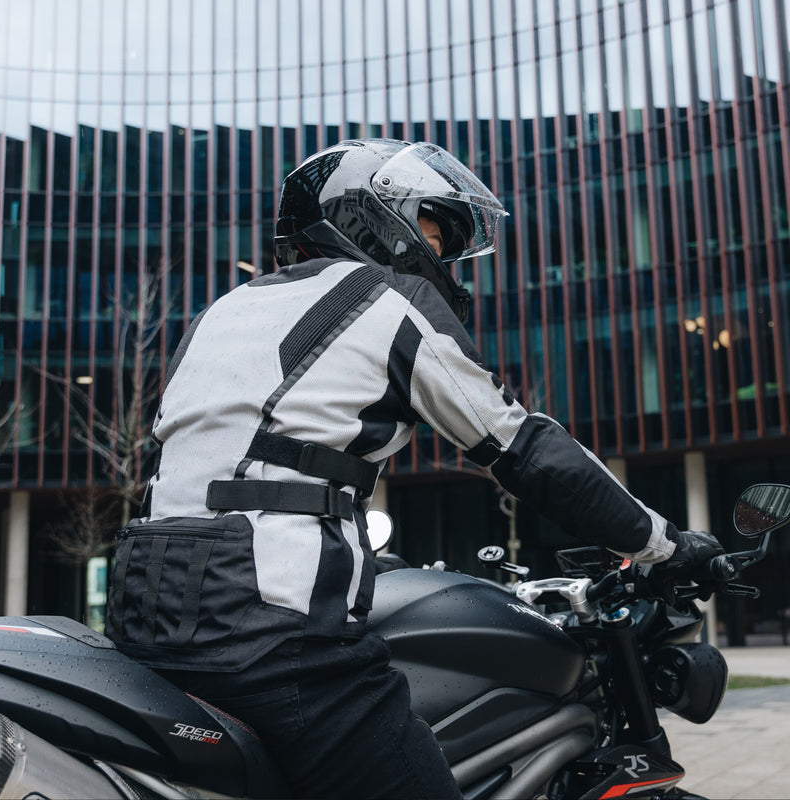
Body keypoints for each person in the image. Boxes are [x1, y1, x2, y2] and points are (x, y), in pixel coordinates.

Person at [106, 138, 723, 799]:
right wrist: (664, 545)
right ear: (376, 216)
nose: (442, 251)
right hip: (268, 628)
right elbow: (525, 448)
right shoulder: (388, 299)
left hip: (143, 604)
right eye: (434, 225)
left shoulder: (225, 310)